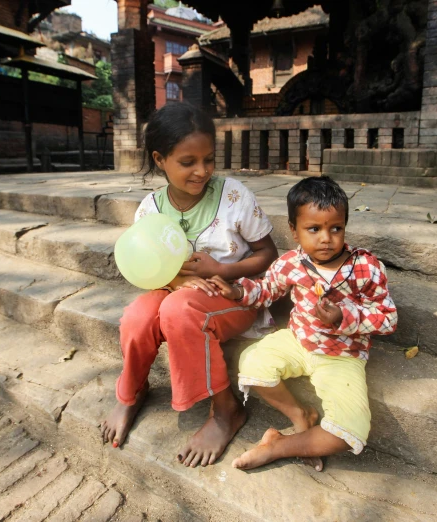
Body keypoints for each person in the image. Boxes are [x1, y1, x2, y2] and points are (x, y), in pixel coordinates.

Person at [99, 102, 278, 468]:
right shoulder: (150, 208)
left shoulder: (233, 196)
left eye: (209, 159)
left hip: (233, 298)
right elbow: (146, 266)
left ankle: (227, 411)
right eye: (188, 162)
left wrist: (221, 270)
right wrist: (179, 279)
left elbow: (268, 254)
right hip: (174, 293)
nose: (202, 171)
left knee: (178, 311)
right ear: (160, 159)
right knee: (137, 316)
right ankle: (131, 392)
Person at [207, 176, 398, 471]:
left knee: (351, 430)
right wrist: (239, 291)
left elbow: (388, 318)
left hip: (342, 356)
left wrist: (344, 317)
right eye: (314, 229)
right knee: (251, 362)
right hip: (298, 340)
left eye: (336, 228)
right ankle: (300, 417)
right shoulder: (291, 263)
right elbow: (267, 289)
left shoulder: (365, 267)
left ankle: (278, 446)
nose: (326, 238)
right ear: (294, 231)